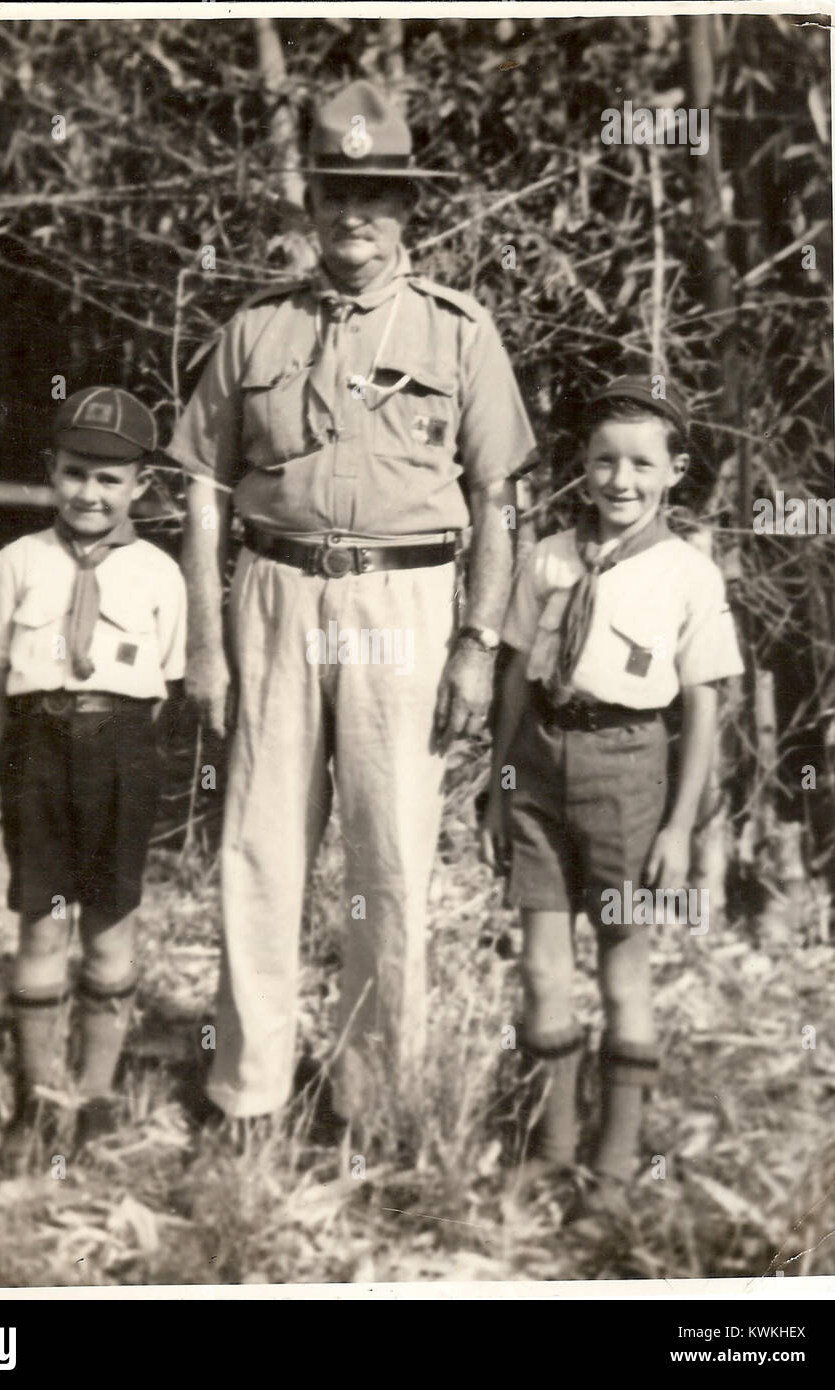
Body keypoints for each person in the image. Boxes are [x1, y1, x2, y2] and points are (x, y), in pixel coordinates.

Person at [168, 80, 535, 1124]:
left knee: (391, 858)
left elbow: (498, 498)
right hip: (275, 597)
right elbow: (202, 487)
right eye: (337, 190)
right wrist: (206, 640)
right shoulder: (254, 330)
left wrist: (478, 642)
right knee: (259, 851)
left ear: (407, 207)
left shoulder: (459, 331)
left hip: (406, 605)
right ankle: (249, 1096)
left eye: (377, 193)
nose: (355, 215)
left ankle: (376, 1104)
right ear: (312, 201)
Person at [482, 375, 743, 1216]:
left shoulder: (686, 573)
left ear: (675, 471)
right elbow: (517, 677)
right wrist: (500, 783)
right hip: (540, 762)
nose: (619, 481)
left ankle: (617, 1166)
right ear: (582, 468)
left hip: (630, 767)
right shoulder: (548, 557)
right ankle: (550, 1150)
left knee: (624, 973)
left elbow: (703, 703)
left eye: (640, 464)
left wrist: (678, 825)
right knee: (541, 969)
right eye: (603, 461)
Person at [0, 387, 186, 1171]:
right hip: (36, 751)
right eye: (77, 473)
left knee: (111, 922)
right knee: (42, 920)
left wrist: (110, 743)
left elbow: (164, 685)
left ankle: (93, 1093)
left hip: (121, 751)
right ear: (53, 470)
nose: (91, 493)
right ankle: (39, 1095)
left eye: (110, 479)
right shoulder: (17, 561)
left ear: (141, 487)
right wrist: (30, 740)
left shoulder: (159, 572)